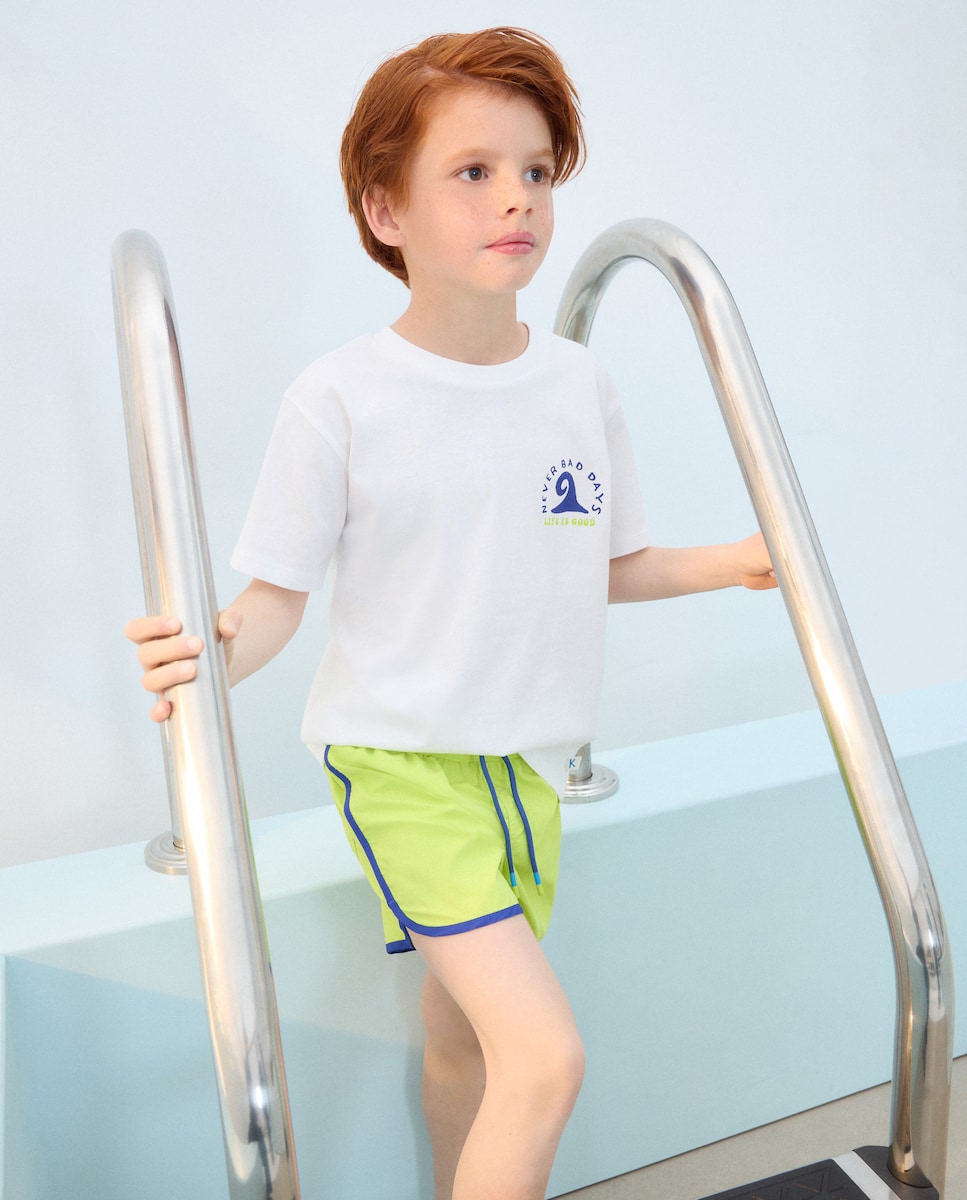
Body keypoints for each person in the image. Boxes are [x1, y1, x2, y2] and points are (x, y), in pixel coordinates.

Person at [125, 27, 777, 1200]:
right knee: (544, 1059)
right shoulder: (338, 399)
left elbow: (602, 566)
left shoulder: (578, 385)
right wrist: (205, 656)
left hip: (518, 769)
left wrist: (735, 560)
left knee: (463, 1038)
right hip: (400, 768)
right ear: (386, 210)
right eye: (472, 172)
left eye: (536, 171)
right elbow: (274, 602)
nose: (516, 197)